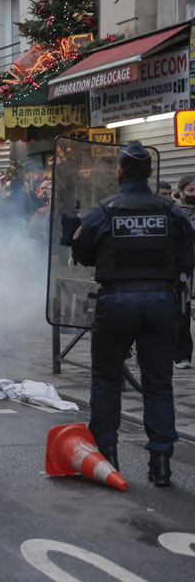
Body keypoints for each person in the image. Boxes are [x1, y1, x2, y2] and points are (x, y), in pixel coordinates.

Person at [68, 141, 195, 487]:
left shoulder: (105, 211)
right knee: (158, 384)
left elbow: (83, 252)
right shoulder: (171, 212)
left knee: (106, 379)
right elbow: (188, 255)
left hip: (116, 302)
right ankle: (161, 464)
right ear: (151, 173)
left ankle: (107, 457)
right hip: (161, 303)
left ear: (120, 172)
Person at [175, 175, 195, 369]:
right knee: (182, 314)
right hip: (184, 271)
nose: (194, 195)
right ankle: (182, 355)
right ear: (180, 191)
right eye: (191, 190)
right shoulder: (175, 212)